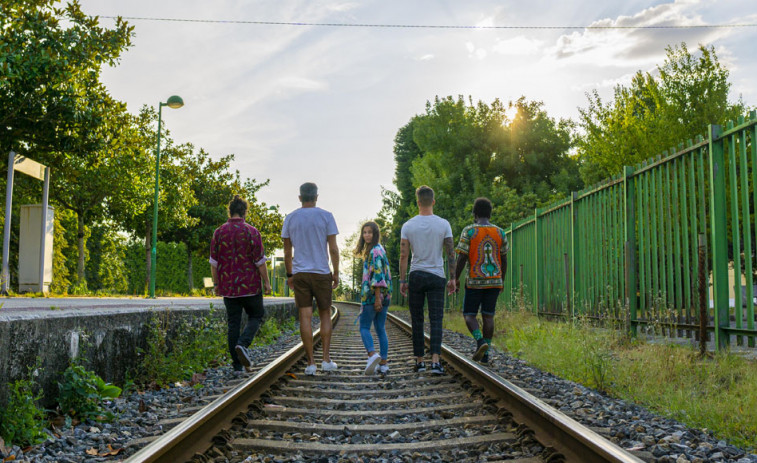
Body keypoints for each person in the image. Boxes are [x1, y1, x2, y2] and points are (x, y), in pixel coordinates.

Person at [282, 182, 340, 375]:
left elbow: (287, 251)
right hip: (322, 272)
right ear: (316, 197)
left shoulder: (290, 218)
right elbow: (333, 248)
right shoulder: (326, 216)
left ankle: (310, 364)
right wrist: (336, 272)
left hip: (300, 273)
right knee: (325, 314)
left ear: (300, 198)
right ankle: (326, 359)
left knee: (305, 317)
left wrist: (290, 274)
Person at [209, 195, 272, 373]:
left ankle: (237, 366)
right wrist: (266, 283)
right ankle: (243, 344)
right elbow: (260, 261)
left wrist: (216, 284)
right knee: (256, 315)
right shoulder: (252, 232)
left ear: (230, 211)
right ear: (244, 212)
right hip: (250, 286)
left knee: (233, 324)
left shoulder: (219, 232)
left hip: (228, 287)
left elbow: (214, 263)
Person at [399, 185, 456, 375]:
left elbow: (404, 256)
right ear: (433, 201)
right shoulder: (443, 224)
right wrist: (453, 278)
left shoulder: (408, 226)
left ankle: (420, 361)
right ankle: (436, 362)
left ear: (417, 202)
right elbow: (450, 253)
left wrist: (402, 281)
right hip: (437, 276)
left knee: (417, 319)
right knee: (436, 319)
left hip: (416, 275)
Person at [452, 197, 508, 365]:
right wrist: (501, 280)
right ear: (489, 214)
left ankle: (480, 341)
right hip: (494, 281)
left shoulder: (469, 231)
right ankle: (485, 355)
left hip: (475, 281)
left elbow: (461, 258)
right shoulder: (500, 232)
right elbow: (504, 259)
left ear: (475, 214)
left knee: (469, 315)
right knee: (488, 316)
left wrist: (455, 278)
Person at [355, 221, 392, 375]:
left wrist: (377, 298)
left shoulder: (375, 251)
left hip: (373, 296)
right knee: (380, 328)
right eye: (365, 232)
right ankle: (383, 363)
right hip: (385, 295)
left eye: (370, 232)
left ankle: (372, 355)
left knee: (364, 326)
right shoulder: (379, 249)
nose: (367, 235)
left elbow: (377, 276)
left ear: (375, 234)